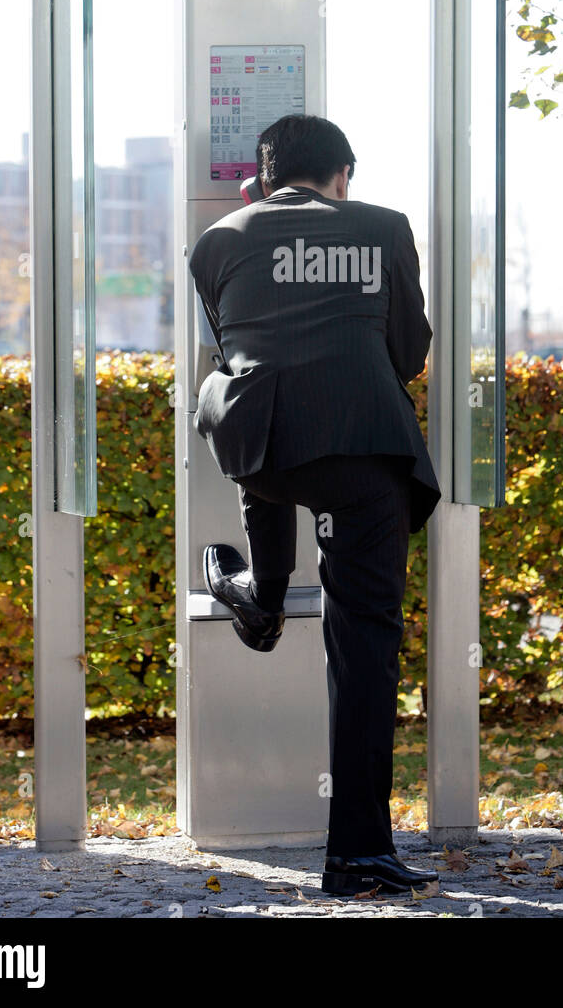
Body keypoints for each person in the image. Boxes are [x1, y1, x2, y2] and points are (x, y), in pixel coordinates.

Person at [187, 112, 441, 896]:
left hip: (263, 449)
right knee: (364, 646)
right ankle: (360, 856)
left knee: (229, 393)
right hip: (366, 453)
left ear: (262, 181)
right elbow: (408, 353)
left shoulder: (219, 240)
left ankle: (260, 594)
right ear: (343, 177)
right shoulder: (383, 227)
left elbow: (236, 350)